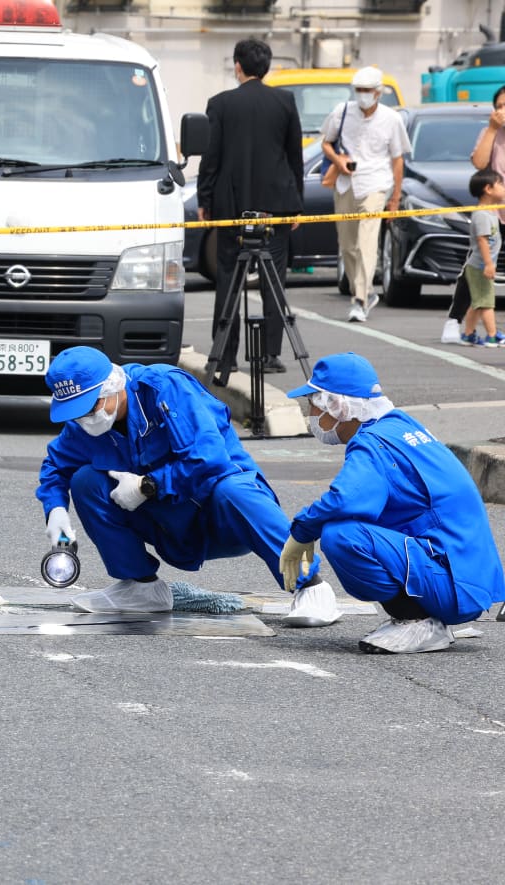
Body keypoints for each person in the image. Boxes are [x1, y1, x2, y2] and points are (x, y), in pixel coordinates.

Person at [36, 346, 340, 626]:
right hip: (169, 526)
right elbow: (55, 467)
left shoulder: (164, 387)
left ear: (113, 385)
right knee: (85, 481)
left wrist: (148, 486)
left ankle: (311, 588)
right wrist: (56, 513)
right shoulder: (84, 426)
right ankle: (141, 588)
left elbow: (210, 457)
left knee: (234, 489)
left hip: (222, 518)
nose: (87, 418)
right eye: (77, 412)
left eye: (91, 407)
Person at [281, 353, 505, 653]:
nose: (310, 414)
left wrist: (302, 533)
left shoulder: (372, 443)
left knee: (341, 536)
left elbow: (346, 499)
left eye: (313, 404)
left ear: (337, 405)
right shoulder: (399, 426)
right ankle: (425, 617)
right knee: (357, 525)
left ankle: (416, 622)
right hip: (465, 575)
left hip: (453, 584)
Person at [196, 38, 303, 378]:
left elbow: (210, 158)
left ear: (237, 66)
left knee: (228, 278)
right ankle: (271, 354)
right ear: (266, 67)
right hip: (277, 208)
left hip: (233, 207)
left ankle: (225, 355)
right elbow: (294, 156)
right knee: (274, 280)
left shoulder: (220, 104)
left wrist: (205, 200)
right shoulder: (284, 101)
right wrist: (295, 204)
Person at [321, 66, 411, 324]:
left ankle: (360, 299)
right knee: (347, 246)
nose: (362, 95)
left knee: (367, 242)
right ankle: (363, 292)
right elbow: (326, 142)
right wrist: (338, 160)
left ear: (378, 92)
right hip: (346, 183)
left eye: (367, 91)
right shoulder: (342, 111)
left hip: (375, 183)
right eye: (358, 90)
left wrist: (394, 198)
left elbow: (397, 160)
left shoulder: (391, 119)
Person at [459, 169, 505, 347]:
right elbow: (482, 240)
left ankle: (468, 334)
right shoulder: (482, 215)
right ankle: (492, 335)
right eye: (500, 184)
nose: (503, 188)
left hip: (481, 266)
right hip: (479, 266)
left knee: (478, 302)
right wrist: (488, 264)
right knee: (486, 303)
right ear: (488, 189)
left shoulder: (491, 212)